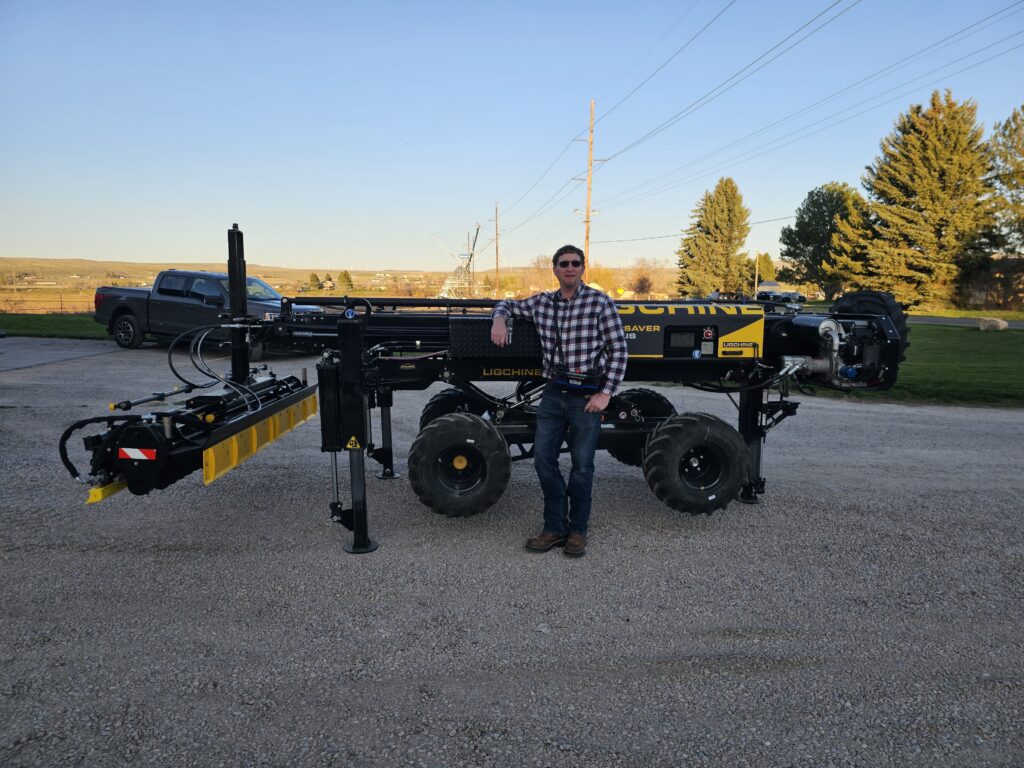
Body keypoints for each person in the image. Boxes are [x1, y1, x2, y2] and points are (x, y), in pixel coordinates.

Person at [490, 245, 627, 557]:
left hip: (586, 398)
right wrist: (499, 320)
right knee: (542, 459)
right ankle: (554, 527)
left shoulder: (599, 302)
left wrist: (606, 393)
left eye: (575, 263)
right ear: (554, 269)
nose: (569, 268)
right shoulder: (542, 303)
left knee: (582, 466)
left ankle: (577, 531)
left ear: (582, 268)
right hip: (553, 393)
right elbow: (506, 305)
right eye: (563, 264)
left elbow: (618, 348)